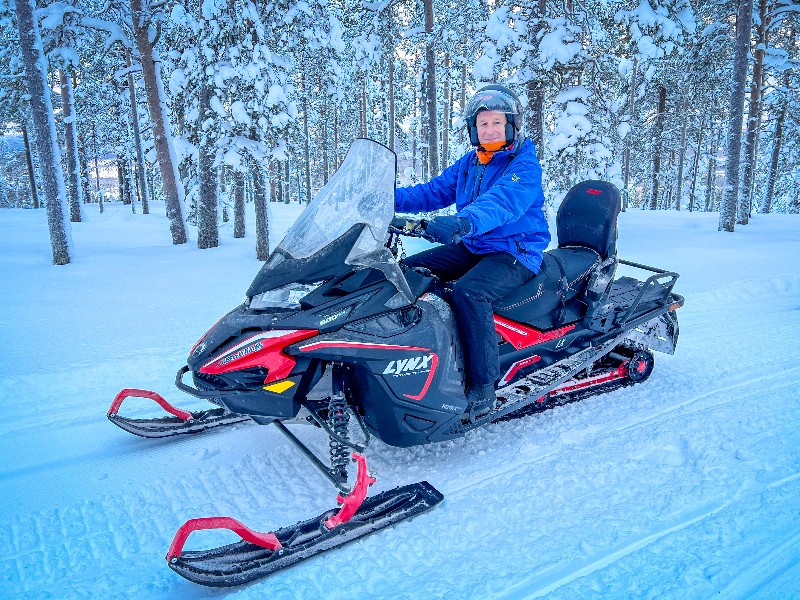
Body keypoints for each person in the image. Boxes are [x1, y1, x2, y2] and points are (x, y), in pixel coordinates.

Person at [395, 84, 551, 422]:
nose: (490, 130)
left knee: (469, 292)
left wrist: (462, 222)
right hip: (475, 246)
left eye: (497, 122)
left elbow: (502, 203)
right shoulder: (470, 163)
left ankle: (483, 387)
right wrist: (385, 198)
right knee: (407, 271)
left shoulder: (523, 164)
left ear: (511, 125)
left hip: (515, 251)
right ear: (473, 130)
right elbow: (432, 192)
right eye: (483, 124)